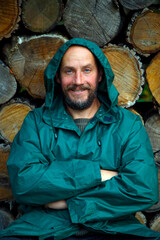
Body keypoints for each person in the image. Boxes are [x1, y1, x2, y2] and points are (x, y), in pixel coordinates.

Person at [0, 38, 159, 240]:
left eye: (86, 70)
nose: (78, 80)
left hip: (115, 228)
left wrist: (67, 202)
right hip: (43, 229)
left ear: (100, 74)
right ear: (57, 77)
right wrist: (99, 174)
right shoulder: (37, 123)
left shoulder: (127, 124)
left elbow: (143, 188)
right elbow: (25, 183)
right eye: (69, 71)